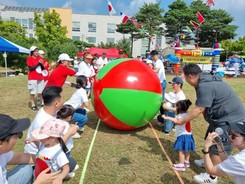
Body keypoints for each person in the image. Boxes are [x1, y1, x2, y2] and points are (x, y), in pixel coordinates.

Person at [170, 63, 245, 184]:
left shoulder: (204, 85)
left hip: (229, 119)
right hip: (219, 117)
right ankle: (207, 161)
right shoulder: (204, 79)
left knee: (217, 146)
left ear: (190, 77)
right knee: (209, 139)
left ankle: (212, 177)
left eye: (185, 77)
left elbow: (199, 109)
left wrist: (181, 121)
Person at [0, 114, 60, 184]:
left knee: (27, 169)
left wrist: (49, 160)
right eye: (16, 134)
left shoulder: (2, 153)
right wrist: (39, 182)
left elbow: (21, 158)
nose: (18, 137)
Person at [24, 86, 78, 154]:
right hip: (38, 155)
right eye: (62, 99)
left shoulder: (47, 109)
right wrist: (70, 133)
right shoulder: (44, 122)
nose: (63, 102)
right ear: (56, 104)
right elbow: (51, 147)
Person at [29, 118, 70, 182]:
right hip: (38, 174)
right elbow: (40, 148)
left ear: (53, 138)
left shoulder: (58, 153)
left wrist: (59, 178)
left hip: (48, 180)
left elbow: (66, 168)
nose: (40, 138)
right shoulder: (44, 144)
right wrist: (33, 140)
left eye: (42, 136)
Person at [162, 99, 195, 171]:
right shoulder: (187, 115)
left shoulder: (180, 116)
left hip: (183, 136)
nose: (175, 108)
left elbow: (175, 120)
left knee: (181, 150)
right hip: (189, 135)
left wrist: (166, 117)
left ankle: (181, 165)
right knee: (187, 149)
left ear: (179, 108)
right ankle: (186, 161)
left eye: (176, 106)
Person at [26, 46, 45, 111]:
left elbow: (42, 68)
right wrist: (38, 63)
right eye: (35, 51)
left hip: (40, 77)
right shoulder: (29, 59)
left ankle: (42, 103)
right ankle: (33, 105)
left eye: (37, 51)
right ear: (32, 52)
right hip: (32, 78)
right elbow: (31, 68)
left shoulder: (40, 58)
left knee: (41, 92)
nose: (37, 52)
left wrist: (41, 63)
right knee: (33, 92)